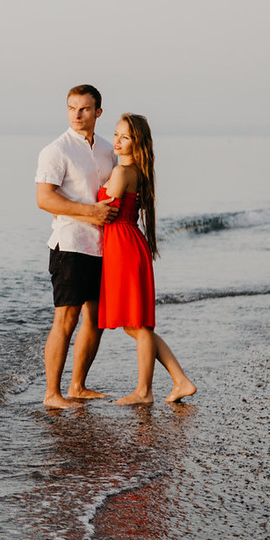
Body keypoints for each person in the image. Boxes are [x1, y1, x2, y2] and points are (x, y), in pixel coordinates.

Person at [98, 114, 197, 404]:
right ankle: (180, 380)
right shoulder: (137, 170)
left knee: (138, 325)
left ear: (136, 142)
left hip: (123, 246)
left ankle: (144, 391)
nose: (116, 141)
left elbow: (101, 210)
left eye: (124, 137)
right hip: (129, 243)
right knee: (135, 325)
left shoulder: (121, 173)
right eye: (115, 134)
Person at [34, 85, 117, 409]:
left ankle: (78, 386)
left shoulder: (108, 150)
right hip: (70, 244)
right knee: (65, 320)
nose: (77, 115)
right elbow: (44, 198)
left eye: (84, 109)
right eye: (72, 108)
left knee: (96, 320)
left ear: (98, 112)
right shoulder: (56, 150)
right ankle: (52, 395)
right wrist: (90, 212)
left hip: (103, 246)